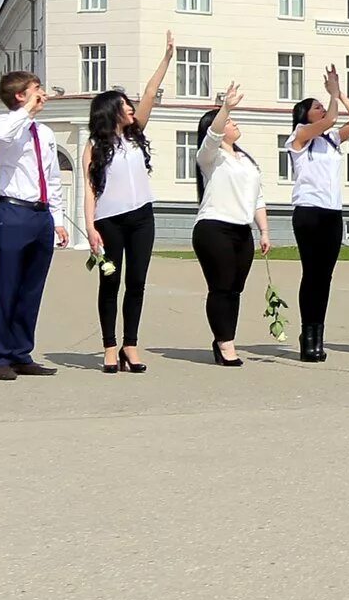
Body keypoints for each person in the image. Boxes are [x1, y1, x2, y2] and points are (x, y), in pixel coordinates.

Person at [84, 34, 173, 374]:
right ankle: (109, 347)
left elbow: (150, 93)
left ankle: (130, 346)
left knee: (136, 282)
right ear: (111, 111)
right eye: (124, 105)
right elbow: (91, 190)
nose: (131, 107)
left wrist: (166, 58)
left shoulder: (136, 135)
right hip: (109, 221)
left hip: (141, 218)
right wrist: (91, 227)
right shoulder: (95, 146)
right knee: (110, 282)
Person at [0, 69, 69, 380]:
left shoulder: (43, 132)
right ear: (20, 96)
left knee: (32, 288)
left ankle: (21, 352)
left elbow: (52, 177)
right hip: (13, 211)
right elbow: (1, 136)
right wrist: (26, 110)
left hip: (40, 214)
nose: (43, 94)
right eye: (36, 89)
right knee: (8, 284)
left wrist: (56, 218)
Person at [286, 64, 349, 362]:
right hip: (309, 212)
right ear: (304, 115)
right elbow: (331, 118)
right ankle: (308, 337)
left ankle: (318, 334)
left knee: (325, 276)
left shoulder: (331, 139)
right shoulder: (299, 137)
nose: (322, 110)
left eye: (322, 106)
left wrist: (340, 94)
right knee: (312, 273)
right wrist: (331, 97)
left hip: (332, 213)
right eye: (316, 107)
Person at [189, 85, 263, 366]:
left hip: (242, 230)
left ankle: (225, 336)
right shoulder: (210, 157)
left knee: (235, 288)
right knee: (220, 287)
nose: (235, 123)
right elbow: (213, 136)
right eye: (230, 122)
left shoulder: (246, 160)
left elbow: (258, 196)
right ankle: (225, 343)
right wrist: (226, 108)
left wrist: (264, 230)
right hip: (213, 228)